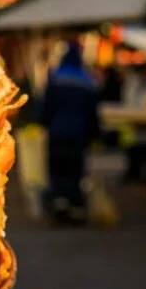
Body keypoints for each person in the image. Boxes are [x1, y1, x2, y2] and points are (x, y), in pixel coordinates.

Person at [39, 41, 101, 224]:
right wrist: (95, 135)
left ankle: (59, 204)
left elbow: (46, 106)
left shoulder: (56, 78)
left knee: (57, 170)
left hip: (57, 133)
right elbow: (92, 112)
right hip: (78, 134)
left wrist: (43, 123)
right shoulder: (87, 81)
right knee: (75, 172)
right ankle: (75, 207)